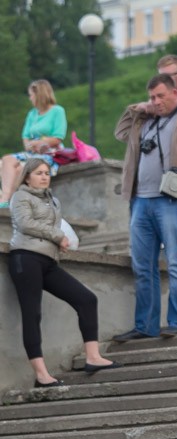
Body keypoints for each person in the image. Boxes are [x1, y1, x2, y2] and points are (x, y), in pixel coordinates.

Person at [111, 74, 177, 342]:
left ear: (174, 93)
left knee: (176, 262)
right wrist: (137, 109)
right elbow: (120, 132)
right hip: (141, 201)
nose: (156, 101)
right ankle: (145, 325)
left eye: (160, 96)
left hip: (174, 199)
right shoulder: (144, 120)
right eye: (152, 97)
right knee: (142, 266)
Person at [7, 158, 120, 387]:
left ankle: (93, 357)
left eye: (47, 173)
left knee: (86, 299)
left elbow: (53, 227)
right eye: (39, 173)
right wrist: (58, 236)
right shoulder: (20, 197)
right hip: (25, 258)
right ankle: (41, 375)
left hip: (48, 261)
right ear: (27, 177)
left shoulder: (53, 200)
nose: (44, 177)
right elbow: (25, 223)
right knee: (32, 314)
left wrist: (61, 241)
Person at [1, 80, 67, 207]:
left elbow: (58, 137)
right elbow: (25, 135)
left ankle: (10, 202)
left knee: (21, 169)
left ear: (39, 94)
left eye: (31, 95)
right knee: (7, 160)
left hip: (50, 152)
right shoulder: (32, 114)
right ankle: (5, 200)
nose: (30, 98)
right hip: (32, 151)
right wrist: (29, 145)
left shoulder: (57, 111)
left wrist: (41, 143)